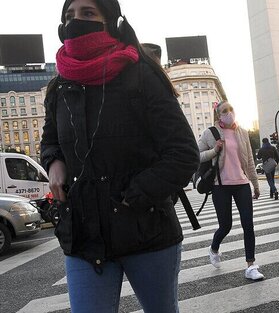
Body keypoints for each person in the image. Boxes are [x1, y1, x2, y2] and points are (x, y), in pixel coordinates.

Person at [40, 0, 199, 312]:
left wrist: (131, 198)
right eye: (69, 15)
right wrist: (53, 161)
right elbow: (51, 139)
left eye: (88, 13)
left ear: (111, 22)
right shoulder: (59, 87)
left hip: (146, 229)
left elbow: (183, 153)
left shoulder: (140, 75)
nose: (76, 21)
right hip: (85, 237)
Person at [198, 100, 264, 281]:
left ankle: (251, 266)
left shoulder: (242, 132)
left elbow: (250, 161)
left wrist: (255, 185)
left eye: (231, 109)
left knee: (248, 224)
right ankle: (214, 248)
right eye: (224, 111)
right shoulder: (210, 133)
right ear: (218, 115)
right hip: (221, 187)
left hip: (241, 184)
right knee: (225, 225)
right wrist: (214, 150)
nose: (229, 113)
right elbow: (196, 155)